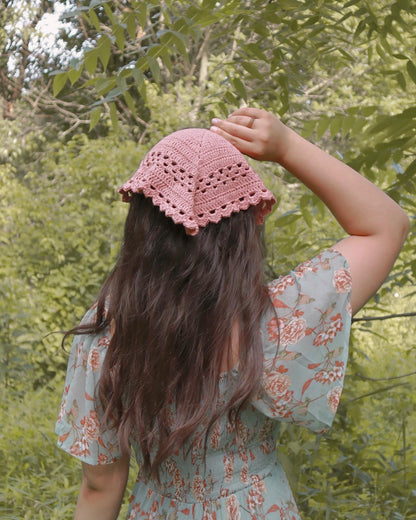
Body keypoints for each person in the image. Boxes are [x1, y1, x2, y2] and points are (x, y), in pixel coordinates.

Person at [56, 107, 409, 519]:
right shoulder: (277, 319)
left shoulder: (106, 332)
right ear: (245, 226)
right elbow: (387, 225)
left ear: (142, 221)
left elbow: (100, 486)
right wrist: (286, 146)